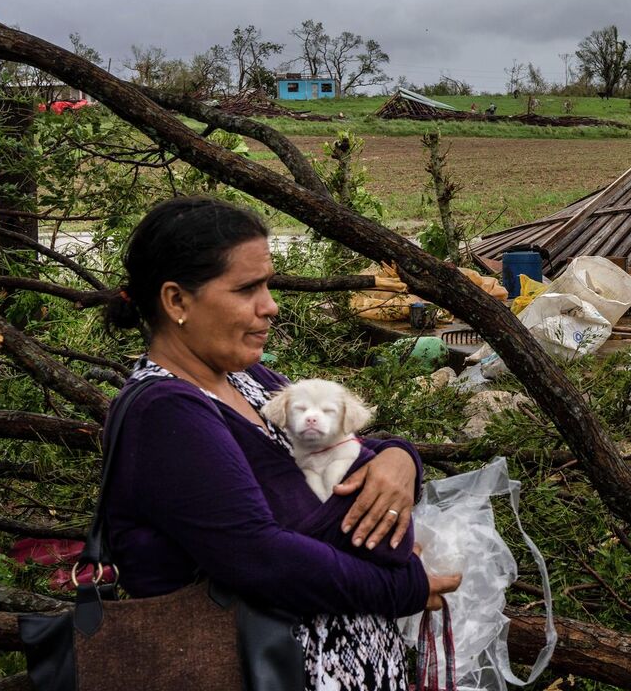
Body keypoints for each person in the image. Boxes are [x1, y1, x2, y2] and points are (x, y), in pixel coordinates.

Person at [101, 197, 460, 690]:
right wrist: (403, 587)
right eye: (247, 288)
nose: (269, 305)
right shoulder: (166, 413)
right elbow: (261, 559)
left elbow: (344, 450)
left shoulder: (252, 381)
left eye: (267, 285)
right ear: (177, 301)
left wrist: (402, 459)